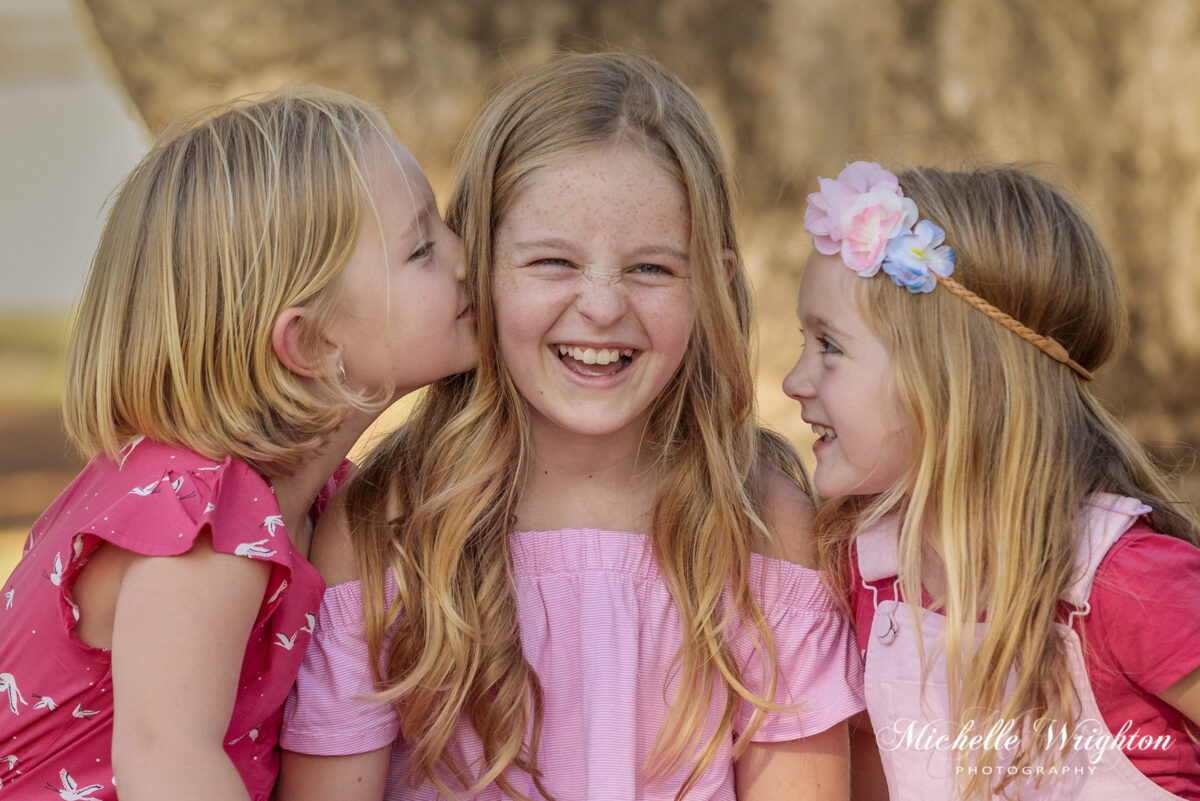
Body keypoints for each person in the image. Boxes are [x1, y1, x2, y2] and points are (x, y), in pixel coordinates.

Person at [278, 52, 864, 801]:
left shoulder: (763, 526)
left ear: (713, 288)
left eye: (652, 269)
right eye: (553, 262)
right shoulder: (385, 530)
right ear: (476, 271)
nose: (602, 306)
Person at [0, 86, 476, 801]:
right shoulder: (206, 524)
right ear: (310, 343)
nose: (466, 257)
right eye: (422, 248)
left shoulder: (287, 498)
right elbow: (168, 758)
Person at [782, 161, 1200, 800]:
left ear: (959, 378)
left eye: (829, 346)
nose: (794, 381)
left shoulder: (1125, 582)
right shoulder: (865, 570)